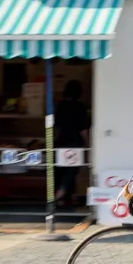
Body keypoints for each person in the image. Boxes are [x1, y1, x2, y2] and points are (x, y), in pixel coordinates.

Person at [54, 79, 90, 208]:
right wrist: (87, 143)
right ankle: (61, 194)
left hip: (61, 141)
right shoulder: (80, 107)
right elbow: (83, 129)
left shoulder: (60, 105)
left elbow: (56, 126)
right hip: (75, 143)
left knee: (62, 170)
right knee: (72, 170)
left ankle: (66, 196)